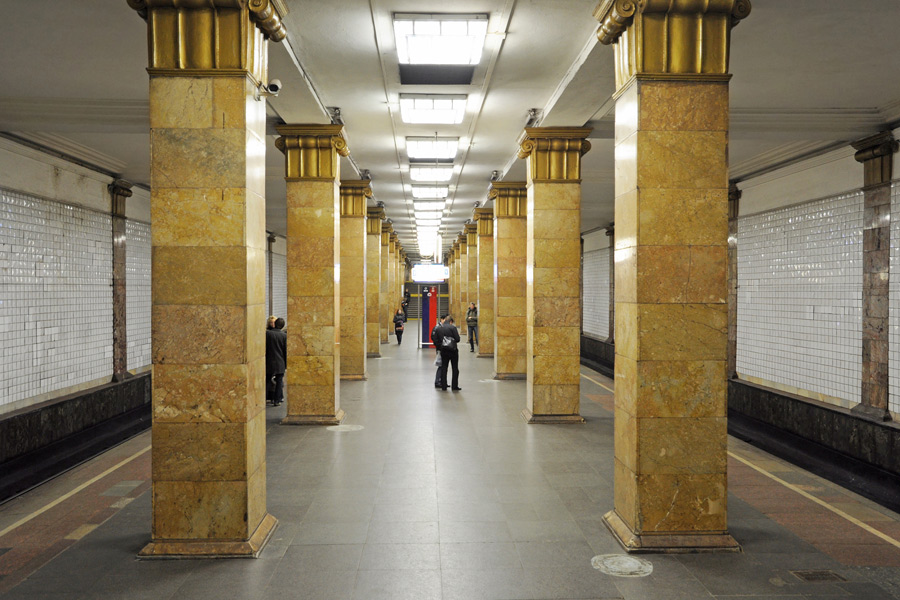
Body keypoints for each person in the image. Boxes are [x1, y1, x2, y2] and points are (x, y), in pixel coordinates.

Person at [436, 315, 461, 391]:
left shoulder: (440, 328)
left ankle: (444, 386)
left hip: (444, 350)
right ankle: (454, 386)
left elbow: (437, 339)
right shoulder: (452, 328)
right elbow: (457, 339)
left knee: (444, 368)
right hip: (453, 350)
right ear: (450, 321)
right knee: (455, 368)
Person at [265, 317, 287, 406]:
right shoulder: (284, 336)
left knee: (267, 380)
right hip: (280, 362)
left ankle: (264, 398)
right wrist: (285, 364)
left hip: (269, 361)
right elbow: (285, 351)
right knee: (279, 381)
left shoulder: (268, 334)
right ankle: (277, 400)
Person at [431, 314, 447, 388]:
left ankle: (442, 381)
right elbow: (433, 337)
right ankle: (437, 381)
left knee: (443, 366)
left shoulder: (443, 327)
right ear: (442, 319)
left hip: (444, 348)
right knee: (441, 365)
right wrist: (438, 345)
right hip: (440, 349)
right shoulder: (437, 327)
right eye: (445, 320)